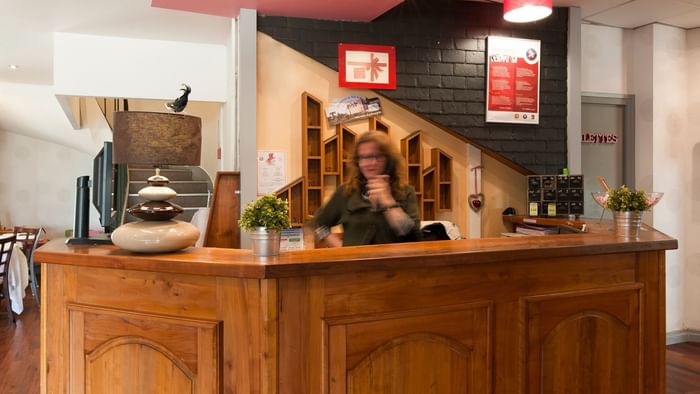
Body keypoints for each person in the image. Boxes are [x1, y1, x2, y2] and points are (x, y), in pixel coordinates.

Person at [313, 131, 421, 247]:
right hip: (355, 264)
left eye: (377, 156)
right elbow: (319, 223)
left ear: (389, 160)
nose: (370, 163)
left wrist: (388, 202)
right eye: (363, 157)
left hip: (395, 264)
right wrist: (340, 247)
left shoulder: (405, 191)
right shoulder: (346, 191)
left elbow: (413, 237)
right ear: (357, 162)